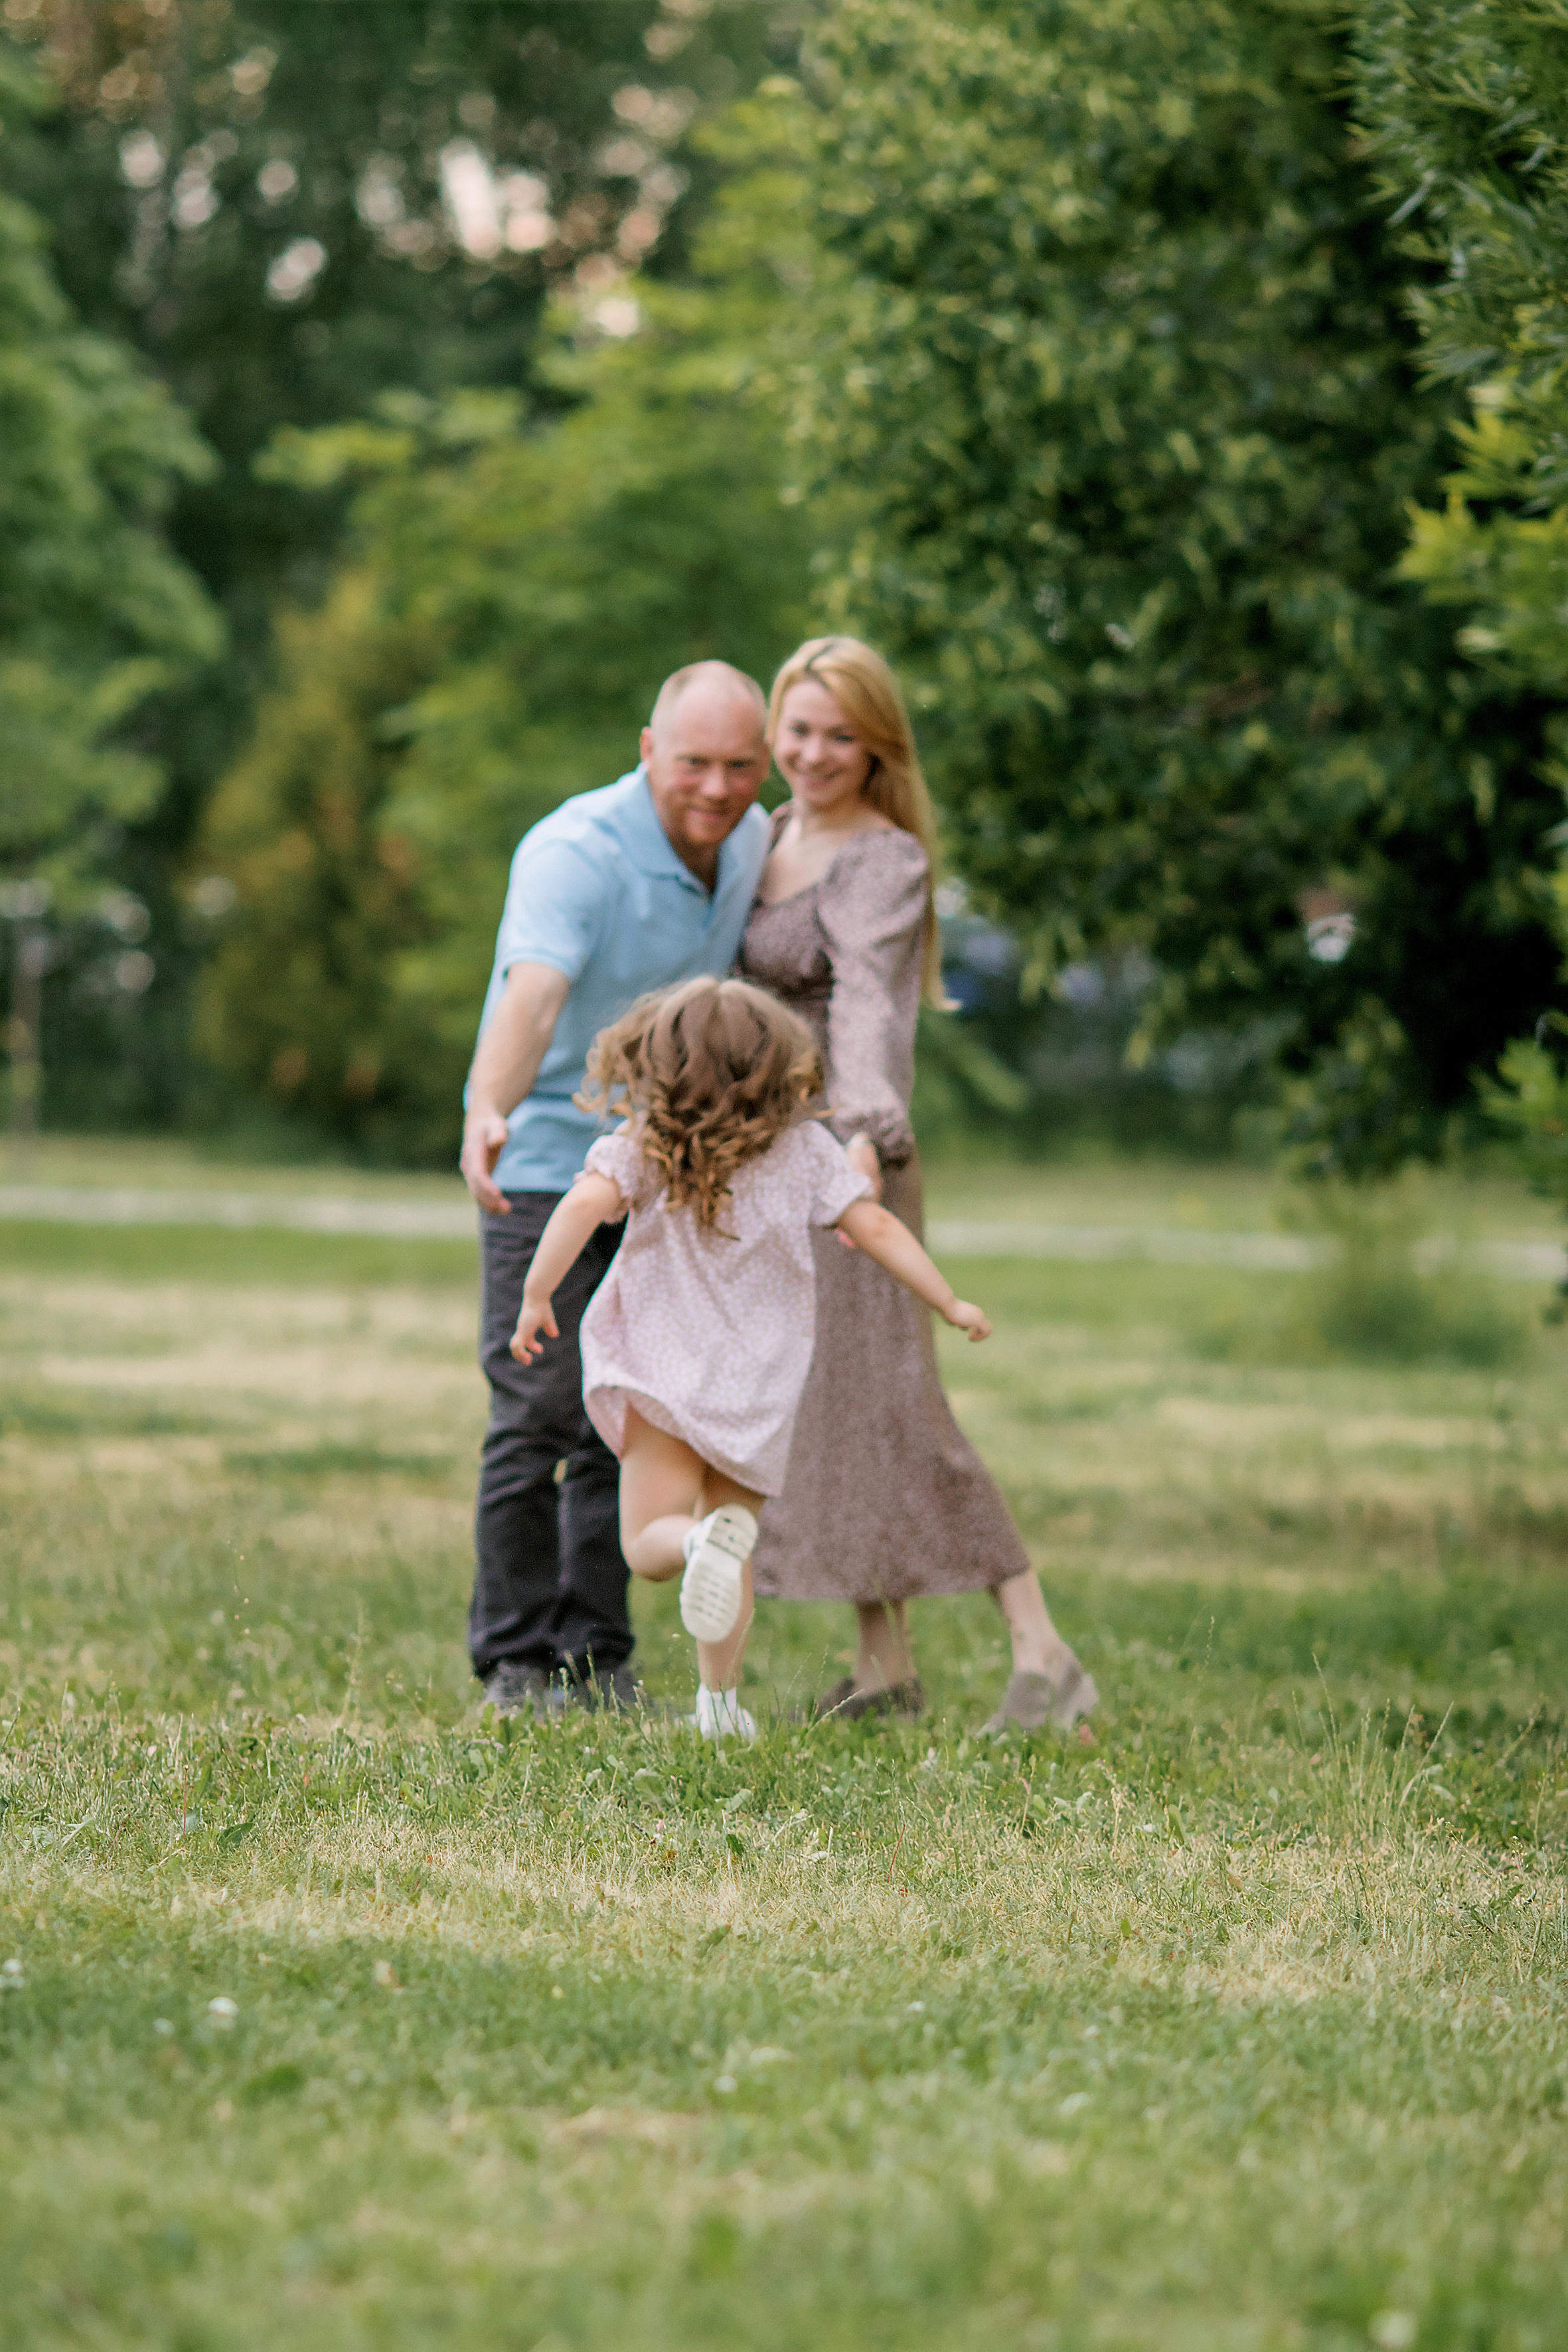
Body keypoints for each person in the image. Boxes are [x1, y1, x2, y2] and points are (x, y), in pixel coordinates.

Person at [740, 635, 1097, 1735]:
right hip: (780, 1163)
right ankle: (881, 1665)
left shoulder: (881, 857)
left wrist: (860, 1134)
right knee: (835, 1413)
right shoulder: (768, 836)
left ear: (877, 742)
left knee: (901, 1409)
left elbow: (869, 1004)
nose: (814, 752)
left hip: (851, 1161)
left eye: (840, 734)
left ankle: (1045, 1652)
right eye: (798, 729)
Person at [509, 977, 994, 1741]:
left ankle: (694, 1545)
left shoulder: (644, 1145)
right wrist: (947, 1301)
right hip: (758, 1386)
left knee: (653, 1547)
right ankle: (720, 1705)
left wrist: (537, 1295)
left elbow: (579, 1207)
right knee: (733, 1541)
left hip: (662, 1377)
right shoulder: (804, 1152)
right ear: (777, 1067)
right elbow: (876, 1228)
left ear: (658, 1060)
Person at [459, 661, 772, 1717]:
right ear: (648, 749)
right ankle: (512, 1660)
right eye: (693, 762)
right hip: (546, 1160)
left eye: (739, 765)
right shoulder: (575, 852)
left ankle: (597, 1659)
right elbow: (535, 989)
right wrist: (486, 1109)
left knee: (629, 1420)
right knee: (538, 1408)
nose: (716, 787)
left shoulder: (754, 840)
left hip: (667, 1174)